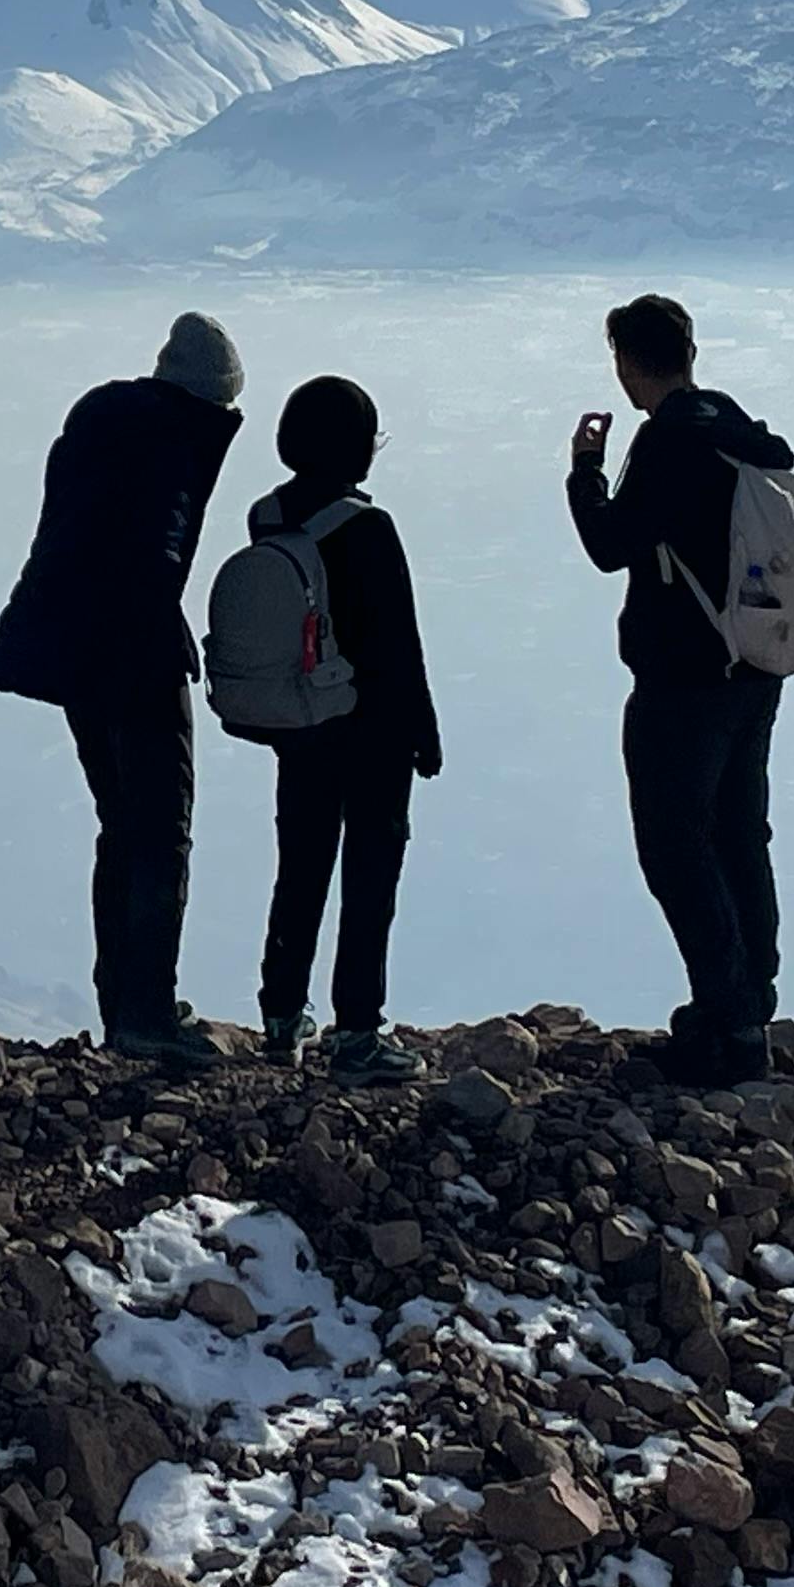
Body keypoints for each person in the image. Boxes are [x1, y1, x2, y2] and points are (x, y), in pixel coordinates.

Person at [0, 314, 247, 1075]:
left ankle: (125, 1003)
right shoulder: (172, 441)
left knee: (120, 825)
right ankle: (148, 1014)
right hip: (134, 655)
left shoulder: (103, 422)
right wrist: (167, 629)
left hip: (75, 651)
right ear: (216, 400)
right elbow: (155, 550)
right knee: (162, 831)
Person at [566, 292, 794, 1087]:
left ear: (629, 365)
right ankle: (749, 1002)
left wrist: (585, 473)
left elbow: (610, 545)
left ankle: (725, 1020)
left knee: (674, 846)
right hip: (754, 664)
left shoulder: (667, 444)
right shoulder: (744, 433)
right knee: (740, 834)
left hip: (681, 679)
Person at [242, 377, 439, 1087]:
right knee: (368, 877)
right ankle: (357, 1030)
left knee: (299, 868)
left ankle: (280, 1018)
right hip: (374, 730)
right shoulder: (367, 526)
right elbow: (398, 643)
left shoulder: (267, 518)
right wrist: (425, 731)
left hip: (300, 725)